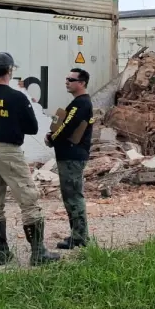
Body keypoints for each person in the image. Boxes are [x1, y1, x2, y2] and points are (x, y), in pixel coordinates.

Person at [0, 52, 59, 266]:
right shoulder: (17, 97)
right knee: (28, 199)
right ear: (10, 70)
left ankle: (1, 254)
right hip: (8, 151)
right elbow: (31, 127)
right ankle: (38, 253)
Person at [46, 68, 95, 250]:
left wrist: (51, 138)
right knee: (71, 196)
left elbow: (66, 126)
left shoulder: (80, 104)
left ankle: (80, 237)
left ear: (81, 83)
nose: (67, 82)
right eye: (67, 78)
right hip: (70, 155)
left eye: (71, 79)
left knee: (73, 196)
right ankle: (78, 234)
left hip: (72, 155)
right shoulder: (78, 103)